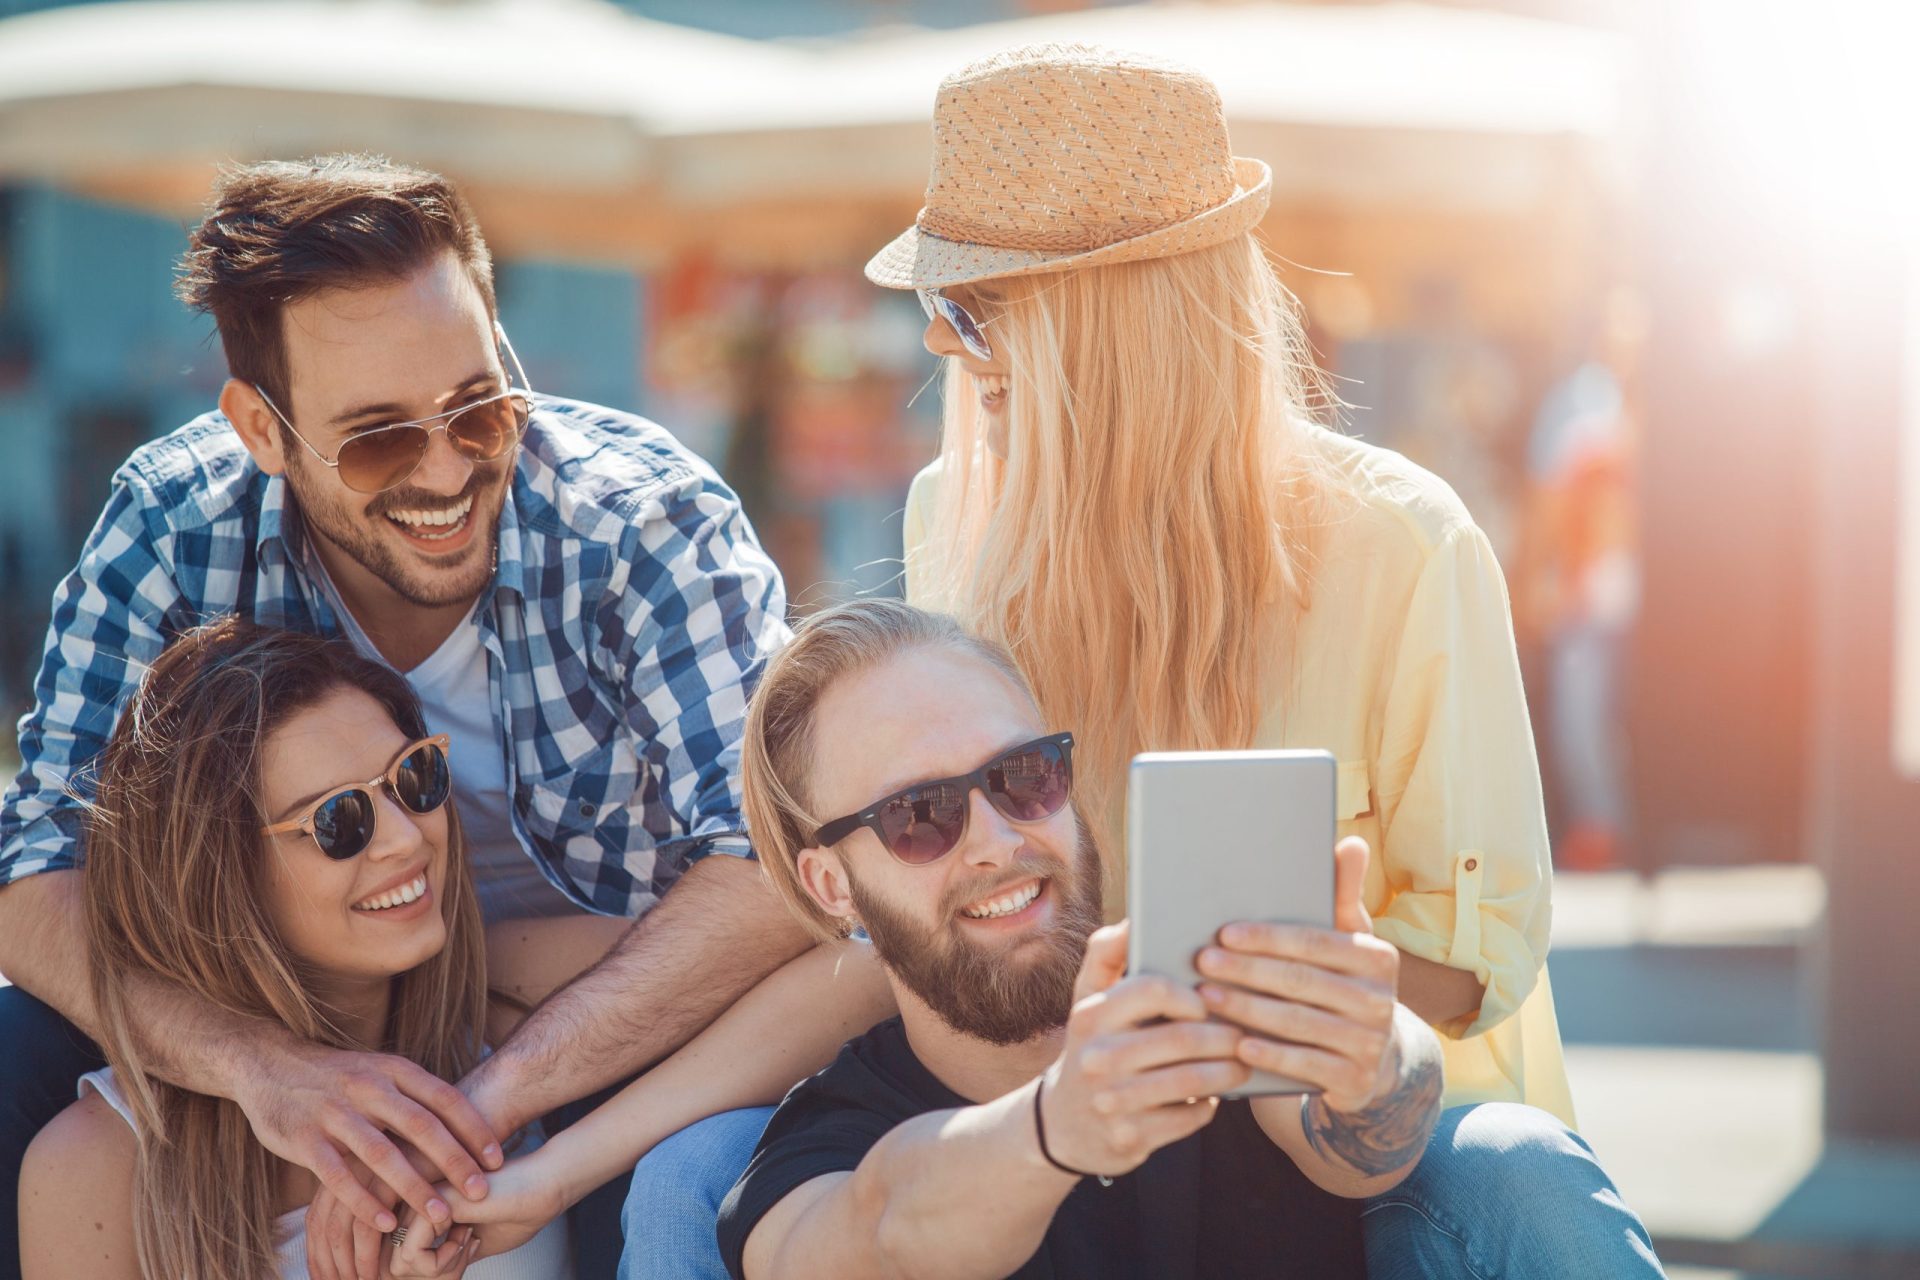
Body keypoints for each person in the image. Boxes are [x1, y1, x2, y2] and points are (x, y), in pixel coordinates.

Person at [627, 44, 1663, 1279]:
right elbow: (911, 932)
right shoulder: (948, 512)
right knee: (695, 1174)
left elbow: (1486, 951)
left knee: (1515, 1170)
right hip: (1043, 1101)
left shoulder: (1404, 543)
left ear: (1102, 331)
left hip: (1353, 1131)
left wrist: (1286, 993)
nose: (947, 353)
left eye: (966, 310)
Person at [0, 154, 884, 1280]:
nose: (447, 471)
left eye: (478, 407)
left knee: (674, 1182)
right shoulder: (171, 529)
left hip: (617, 999)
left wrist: (470, 1104)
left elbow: (781, 864)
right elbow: (34, 869)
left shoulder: (640, 522)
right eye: (376, 438)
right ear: (262, 432)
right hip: (296, 1009)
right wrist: (268, 1069)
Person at [17, 620, 880, 1280]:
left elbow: (864, 969)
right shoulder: (98, 1169)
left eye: (415, 779)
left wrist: (525, 1147)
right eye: (339, 822)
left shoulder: (511, 996)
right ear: (217, 880)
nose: (404, 840)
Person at [724, 597, 1445, 1278]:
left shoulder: (1210, 1000)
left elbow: (1364, 1149)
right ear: (831, 885)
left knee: (1515, 1159)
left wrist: (1377, 1056)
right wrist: (1053, 1127)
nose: (999, 841)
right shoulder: (820, 1152)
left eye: (1023, 776)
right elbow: (881, 1230)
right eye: (919, 813)